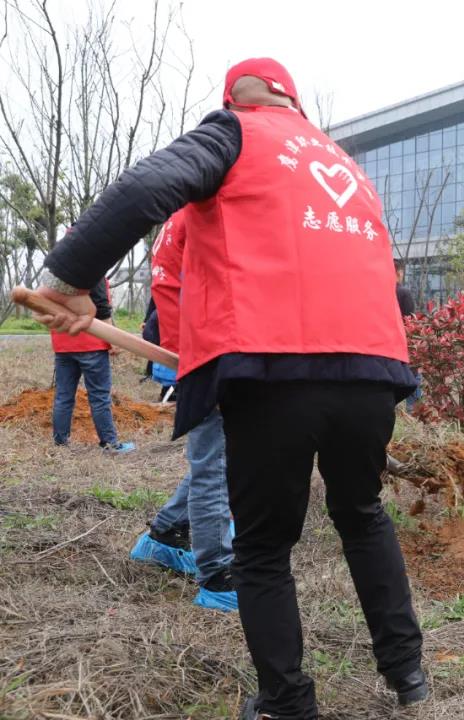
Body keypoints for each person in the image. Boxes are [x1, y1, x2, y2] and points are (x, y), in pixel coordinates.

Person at [34, 58, 427, 717]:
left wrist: (68, 277)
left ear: (236, 100)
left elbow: (144, 190)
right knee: (362, 514)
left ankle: (286, 701)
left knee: (264, 546)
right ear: (295, 104)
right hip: (374, 369)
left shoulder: (236, 133)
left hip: (277, 368)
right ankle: (408, 674)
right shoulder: (347, 168)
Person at [129, 207, 237, 612]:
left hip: (199, 349)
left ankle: (164, 535)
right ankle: (219, 577)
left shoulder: (182, 216)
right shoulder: (206, 214)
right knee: (215, 463)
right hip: (212, 350)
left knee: (213, 456)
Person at [49, 276, 135, 453]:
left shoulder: (56, 272)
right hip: (91, 343)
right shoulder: (92, 270)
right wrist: (113, 340)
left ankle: (60, 442)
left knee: (63, 396)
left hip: (63, 342)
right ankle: (110, 445)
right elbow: (102, 307)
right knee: (99, 397)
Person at [395, 259, 421, 412]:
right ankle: (414, 411)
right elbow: (410, 323)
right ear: (399, 273)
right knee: (414, 378)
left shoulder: (379, 291)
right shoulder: (403, 293)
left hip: (384, 349)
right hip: (404, 345)